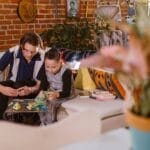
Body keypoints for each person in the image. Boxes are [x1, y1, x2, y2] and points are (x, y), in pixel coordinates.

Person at [0, 32, 48, 124]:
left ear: (39, 48)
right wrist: (2, 88)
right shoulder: (13, 51)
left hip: (32, 87)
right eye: (26, 50)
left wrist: (30, 89)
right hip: (13, 84)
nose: (29, 55)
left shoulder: (44, 56)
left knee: (19, 84)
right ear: (21, 46)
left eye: (33, 51)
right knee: (2, 86)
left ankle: (22, 120)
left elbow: (40, 85)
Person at [39, 49, 74, 125]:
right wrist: (44, 94)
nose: (50, 70)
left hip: (64, 93)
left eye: (54, 67)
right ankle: (43, 122)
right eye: (47, 66)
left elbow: (67, 92)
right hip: (52, 90)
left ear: (60, 62)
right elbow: (44, 86)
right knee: (39, 101)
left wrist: (56, 94)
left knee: (51, 103)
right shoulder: (44, 68)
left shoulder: (66, 71)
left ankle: (50, 124)